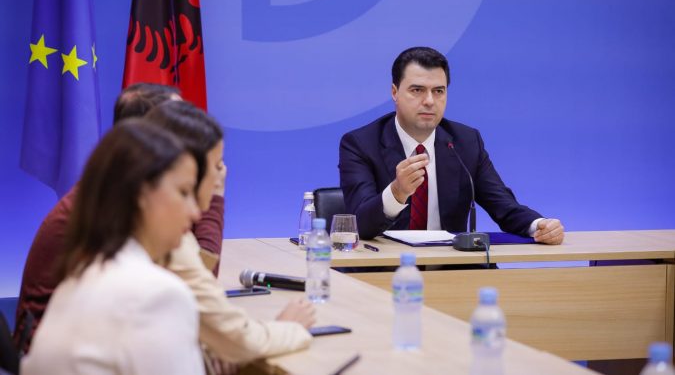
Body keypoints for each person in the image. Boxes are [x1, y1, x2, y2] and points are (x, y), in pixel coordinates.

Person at [13, 83, 225, 352]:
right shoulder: (119, 202)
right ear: (150, 142)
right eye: (180, 129)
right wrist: (213, 194)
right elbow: (195, 291)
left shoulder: (117, 184)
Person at [22, 120, 205, 374]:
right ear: (141, 194)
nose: (196, 212)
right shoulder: (159, 296)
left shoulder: (78, 278)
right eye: (184, 192)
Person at [145, 101, 315, 364]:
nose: (221, 174)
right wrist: (288, 327)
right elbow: (240, 342)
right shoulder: (164, 239)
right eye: (217, 165)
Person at [339, 47, 564, 244]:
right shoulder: (360, 144)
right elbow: (359, 225)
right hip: (388, 270)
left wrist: (539, 225)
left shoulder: (465, 142)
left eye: (438, 91)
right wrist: (397, 192)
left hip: (452, 266)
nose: (429, 101)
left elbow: (503, 206)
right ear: (395, 92)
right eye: (417, 90)